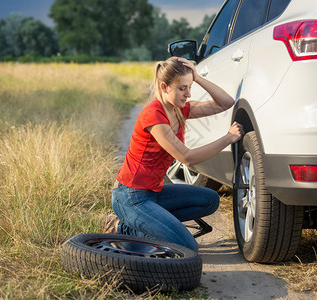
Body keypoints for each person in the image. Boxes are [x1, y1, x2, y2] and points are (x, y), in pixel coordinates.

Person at [103, 57, 243, 252]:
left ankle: (157, 225)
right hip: (131, 196)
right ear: (165, 87)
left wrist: (197, 77)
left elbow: (226, 103)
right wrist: (227, 138)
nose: (188, 93)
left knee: (210, 199)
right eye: (182, 88)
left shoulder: (179, 109)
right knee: (187, 247)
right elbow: (187, 158)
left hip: (154, 193)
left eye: (189, 87)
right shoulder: (153, 115)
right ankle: (121, 227)